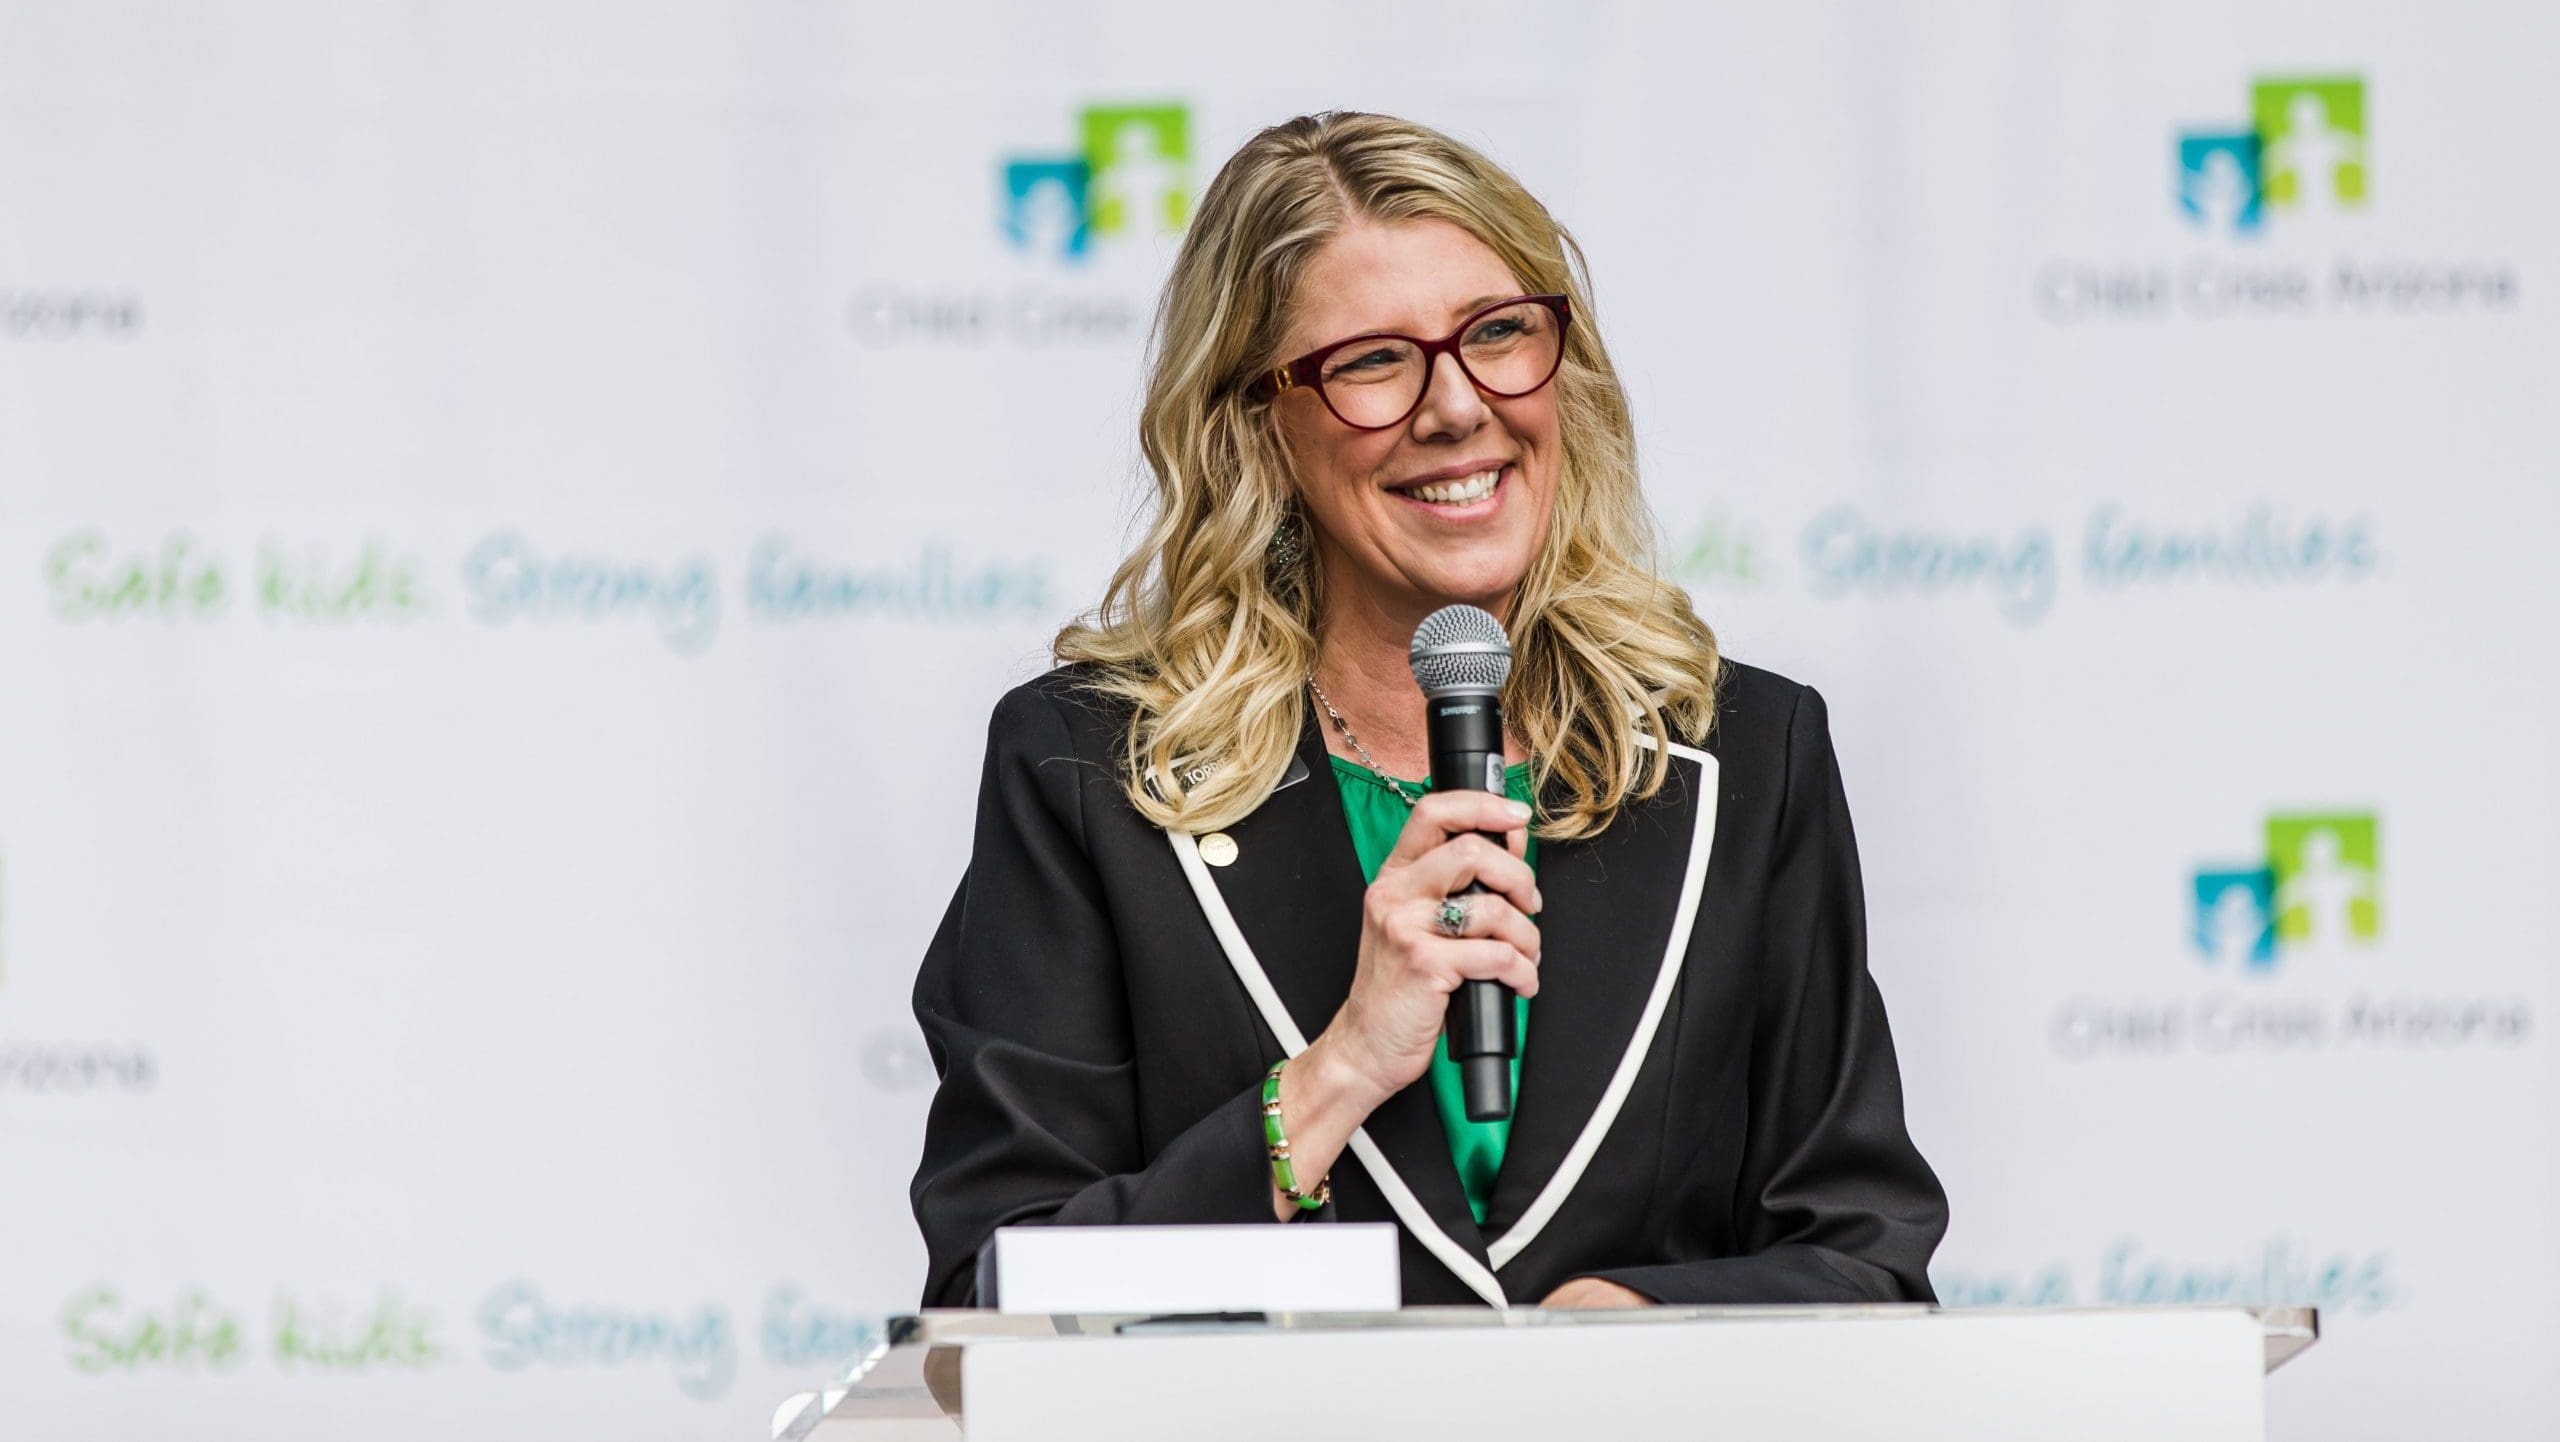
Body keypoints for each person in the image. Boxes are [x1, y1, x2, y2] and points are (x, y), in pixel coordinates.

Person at [909, 111, 1947, 1309]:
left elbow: (1865, 1257)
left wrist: (1645, 1318)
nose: (1456, 406)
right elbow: (996, 1293)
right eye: (1372, 361)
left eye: (1498, 333)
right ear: (1257, 423)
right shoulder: (1087, 769)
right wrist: (1335, 1074)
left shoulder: (1743, 753)